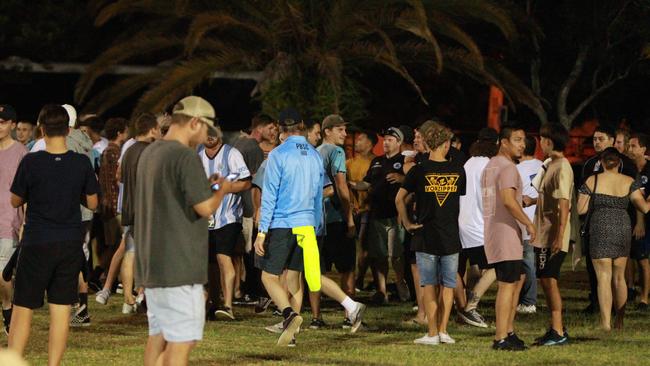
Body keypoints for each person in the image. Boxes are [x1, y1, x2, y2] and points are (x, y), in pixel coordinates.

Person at [134, 96, 234, 366]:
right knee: (182, 341)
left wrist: (208, 188)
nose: (205, 138)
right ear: (194, 122)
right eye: (205, 131)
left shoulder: (150, 152)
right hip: (178, 265)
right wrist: (222, 190)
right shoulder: (184, 156)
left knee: (158, 336)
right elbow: (205, 209)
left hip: (151, 264)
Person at [254, 117, 366, 346]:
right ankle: (293, 334)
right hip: (308, 224)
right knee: (298, 278)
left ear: (282, 131)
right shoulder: (315, 155)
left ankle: (288, 315)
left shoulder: (278, 154)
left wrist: (262, 231)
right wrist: (316, 225)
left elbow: (269, 196)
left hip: (284, 223)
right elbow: (320, 194)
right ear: (302, 129)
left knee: (268, 276)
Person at [8, 104, 99, 365]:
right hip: (69, 242)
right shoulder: (81, 162)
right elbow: (93, 204)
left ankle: (13, 360)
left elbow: (15, 200)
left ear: (42, 129)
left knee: (23, 309)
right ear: (68, 130)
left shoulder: (32, 161)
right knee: (60, 312)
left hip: (37, 241)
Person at [396, 123, 466, 346]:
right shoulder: (458, 170)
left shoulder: (419, 170)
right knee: (448, 285)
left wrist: (407, 223)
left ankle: (432, 333)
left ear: (428, 144)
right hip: (450, 235)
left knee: (428, 285)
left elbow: (399, 199)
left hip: (425, 235)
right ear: (446, 144)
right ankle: (444, 331)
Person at [577, 147, 650, 330]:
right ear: (619, 163)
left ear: (601, 162)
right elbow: (644, 207)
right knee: (619, 278)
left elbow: (580, 210)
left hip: (600, 228)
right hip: (622, 229)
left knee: (603, 277)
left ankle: (605, 323)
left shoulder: (592, 180)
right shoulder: (629, 181)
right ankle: (620, 321)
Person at [95, 113, 161, 308]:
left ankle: (124, 297)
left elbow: (119, 176)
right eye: (157, 129)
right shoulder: (150, 151)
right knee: (141, 253)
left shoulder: (128, 149)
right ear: (151, 129)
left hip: (128, 207)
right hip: (146, 209)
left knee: (128, 250)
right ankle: (139, 294)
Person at [482, 123, 536, 351]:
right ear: (504, 142)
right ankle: (500, 337)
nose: (522, 144)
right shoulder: (507, 168)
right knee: (507, 285)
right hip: (506, 234)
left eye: (523, 140)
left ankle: (509, 331)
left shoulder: (490, 166)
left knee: (516, 280)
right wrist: (528, 223)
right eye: (517, 139)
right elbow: (507, 200)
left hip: (494, 231)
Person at [581, 125, 638, 313]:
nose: (597, 142)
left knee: (605, 275)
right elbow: (641, 202)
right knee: (614, 275)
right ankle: (614, 315)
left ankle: (607, 319)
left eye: (601, 139)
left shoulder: (627, 167)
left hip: (603, 224)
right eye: (594, 139)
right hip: (615, 226)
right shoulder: (590, 164)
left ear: (612, 141)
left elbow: (581, 206)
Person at [525, 123, 572, 345]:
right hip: (544, 231)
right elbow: (550, 197)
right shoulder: (550, 164)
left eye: (542, 139)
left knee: (548, 279)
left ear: (550, 141)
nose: (540, 143)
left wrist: (559, 235)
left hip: (553, 233)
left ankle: (558, 331)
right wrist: (533, 201)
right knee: (545, 279)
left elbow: (564, 203)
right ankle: (556, 328)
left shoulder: (562, 166)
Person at [199, 125, 251, 320]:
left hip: (228, 216)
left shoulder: (232, 154)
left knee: (223, 258)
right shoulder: (197, 154)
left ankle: (228, 305)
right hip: (205, 219)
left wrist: (224, 188)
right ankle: (214, 303)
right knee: (210, 262)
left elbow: (245, 181)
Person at [351, 127, 409, 303]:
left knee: (397, 255)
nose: (385, 142)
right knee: (379, 255)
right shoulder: (377, 162)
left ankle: (401, 285)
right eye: (384, 139)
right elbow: (367, 184)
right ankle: (382, 290)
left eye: (390, 139)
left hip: (395, 215)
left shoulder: (404, 161)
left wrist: (402, 178)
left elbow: (415, 182)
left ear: (399, 142)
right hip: (377, 214)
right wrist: (350, 183)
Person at [312, 114, 357, 326]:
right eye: (340, 130)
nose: (345, 134)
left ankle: (315, 317)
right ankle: (350, 315)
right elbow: (341, 186)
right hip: (336, 218)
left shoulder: (313, 153)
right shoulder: (336, 152)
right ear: (327, 131)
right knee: (347, 268)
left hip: (317, 221)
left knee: (317, 271)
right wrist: (350, 219)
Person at [456, 128, 499, 328]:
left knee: (475, 267)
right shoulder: (489, 165)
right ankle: (470, 308)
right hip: (479, 226)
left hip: (463, 223)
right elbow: (488, 200)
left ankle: (466, 308)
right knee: (497, 265)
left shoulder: (468, 163)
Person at [233, 114, 275, 304]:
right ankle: (252, 290)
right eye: (271, 128)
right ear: (260, 128)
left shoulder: (239, 144)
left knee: (239, 253)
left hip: (234, 205)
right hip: (247, 206)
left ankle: (240, 290)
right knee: (251, 252)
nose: (273, 132)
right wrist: (257, 209)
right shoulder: (254, 149)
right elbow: (257, 183)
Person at [0, 105, 27, 334]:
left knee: (3, 275)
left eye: (3, 121)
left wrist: (25, 223)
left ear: (11, 125)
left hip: (9, 223)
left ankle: (8, 309)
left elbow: (27, 191)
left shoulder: (21, 153)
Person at [96, 118, 129, 303]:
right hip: (114, 205)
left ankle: (106, 278)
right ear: (119, 133)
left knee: (114, 244)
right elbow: (117, 181)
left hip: (107, 204)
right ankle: (102, 277)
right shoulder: (115, 152)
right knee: (118, 245)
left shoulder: (107, 151)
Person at [516, 135, 542, 314]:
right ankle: (527, 299)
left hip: (524, 223)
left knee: (526, 262)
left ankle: (529, 301)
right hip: (540, 222)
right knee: (531, 262)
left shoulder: (516, 170)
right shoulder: (542, 165)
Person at [348, 131, 377, 292]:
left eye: (361, 139)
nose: (357, 142)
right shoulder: (350, 162)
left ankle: (359, 280)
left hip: (368, 210)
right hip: (353, 211)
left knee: (365, 248)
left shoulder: (374, 162)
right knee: (356, 248)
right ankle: (357, 280)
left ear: (370, 143)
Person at [628, 133, 650, 310]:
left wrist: (640, 221)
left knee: (643, 259)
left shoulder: (648, 170)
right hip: (629, 219)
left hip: (644, 221)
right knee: (629, 257)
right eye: (629, 146)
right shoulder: (628, 168)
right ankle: (629, 290)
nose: (630, 149)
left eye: (634, 146)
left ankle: (644, 298)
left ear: (643, 149)